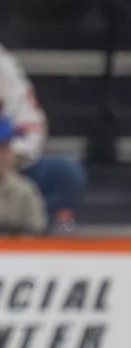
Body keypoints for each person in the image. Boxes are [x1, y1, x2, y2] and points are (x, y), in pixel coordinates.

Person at [0, 42, 83, 229]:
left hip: (8, 169)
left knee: (65, 173)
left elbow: (31, 125)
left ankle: (31, 233)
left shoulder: (2, 63)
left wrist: (8, 157)